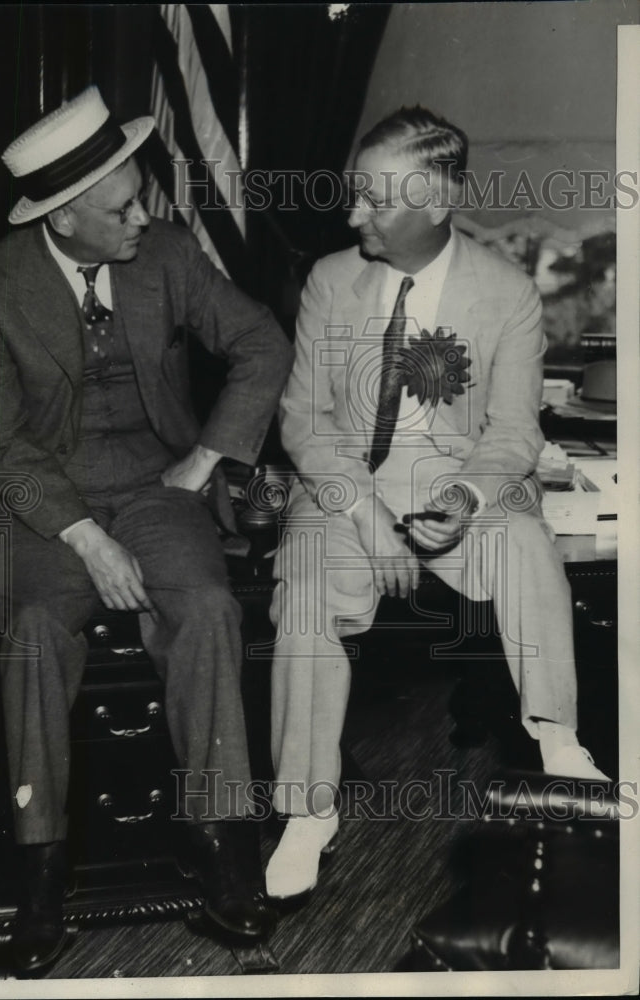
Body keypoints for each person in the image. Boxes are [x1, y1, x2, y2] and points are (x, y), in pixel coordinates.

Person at [0, 86, 293, 970]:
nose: (144, 214)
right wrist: (84, 537)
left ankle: (220, 844)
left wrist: (209, 456)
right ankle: (38, 872)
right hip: (42, 505)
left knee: (211, 608)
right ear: (62, 220)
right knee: (30, 633)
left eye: (140, 194)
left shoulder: (168, 257)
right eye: (121, 206)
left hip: (155, 487)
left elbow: (262, 343)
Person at [264, 106, 609, 902]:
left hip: (456, 476)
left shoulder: (506, 291)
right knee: (307, 588)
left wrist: (460, 499)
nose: (355, 215)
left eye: (374, 200)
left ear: (433, 198)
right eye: (355, 195)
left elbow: (513, 431)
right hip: (346, 481)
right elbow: (303, 424)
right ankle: (307, 810)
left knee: (524, 543)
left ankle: (558, 740)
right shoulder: (328, 281)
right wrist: (364, 518)